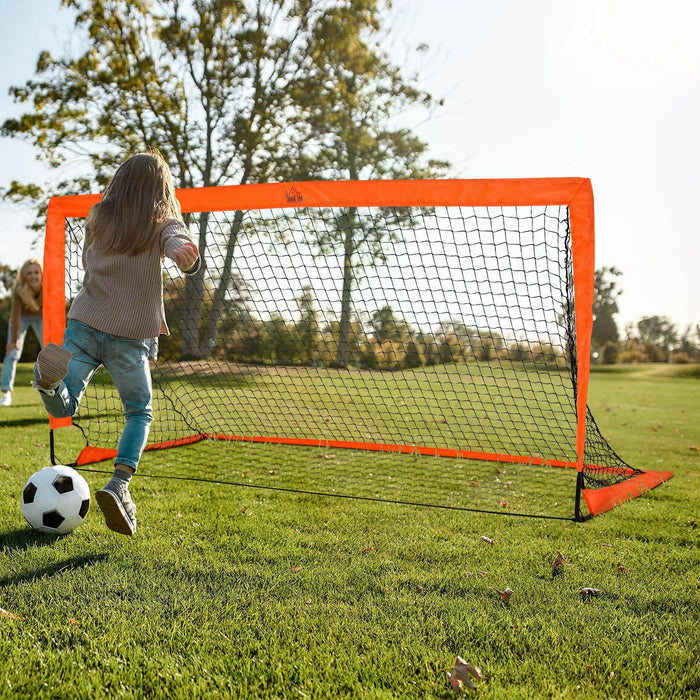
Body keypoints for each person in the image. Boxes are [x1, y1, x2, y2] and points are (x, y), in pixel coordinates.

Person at [33, 149, 200, 536]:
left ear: (120, 182)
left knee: (68, 400)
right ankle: (119, 484)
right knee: (139, 411)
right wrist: (184, 256)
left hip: (85, 320)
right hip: (129, 336)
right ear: (161, 187)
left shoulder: (98, 217)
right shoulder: (162, 221)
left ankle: (49, 382)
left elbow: (90, 264)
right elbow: (178, 239)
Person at [1, 258, 44, 406]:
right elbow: (15, 315)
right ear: (25, 275)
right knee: (12, 352)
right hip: (23, 318)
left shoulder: (48, 286)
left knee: (49, 353)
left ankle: (50, 388)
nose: (33, 276)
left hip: (41, 316)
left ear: (41, 273)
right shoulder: (19, 289)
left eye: (36, 273)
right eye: (29, 273)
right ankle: (6, 393)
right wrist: (14, 340)